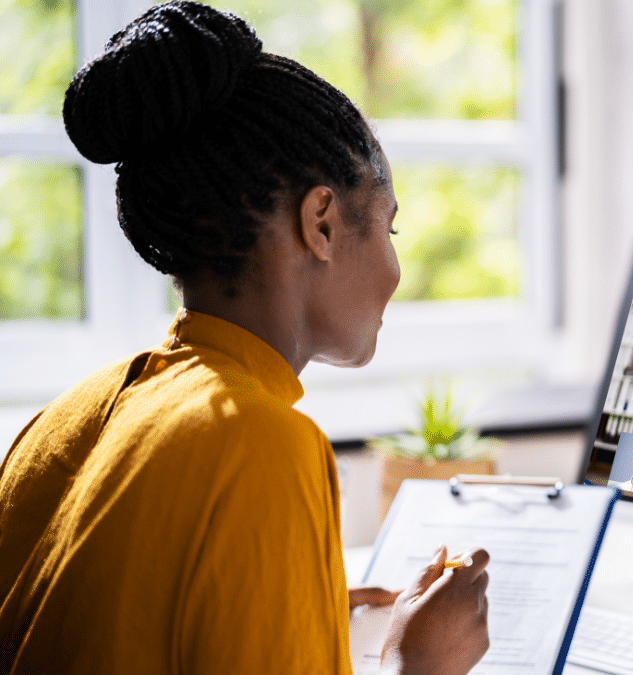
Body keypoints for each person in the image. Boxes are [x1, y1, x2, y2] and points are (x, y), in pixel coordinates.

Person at [0, 3, 488, 674]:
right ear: (320, 222)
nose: (395, 269)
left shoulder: (65, 419)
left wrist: (293, 608)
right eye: (387, 227)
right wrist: (419, 663)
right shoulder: (262, 444)